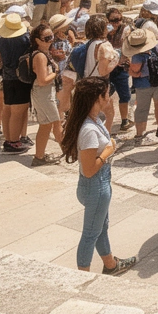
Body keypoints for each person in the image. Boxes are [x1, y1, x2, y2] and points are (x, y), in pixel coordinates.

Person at [61, 76, 136, 275]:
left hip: (99, 185)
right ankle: (81, 275)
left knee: (101, 227)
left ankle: (110, 264)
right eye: (106, 95)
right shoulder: (88, 130)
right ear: (97, 98)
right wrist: (106, 153)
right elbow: (89, 169)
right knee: (90, 234)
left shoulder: (92, 120)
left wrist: (109, 118)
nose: (109, 98)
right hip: (95, 186)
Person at [0, 11, 33, 155]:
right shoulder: (26, 39)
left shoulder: (2, 41)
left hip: (7, 79)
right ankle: (13, 143)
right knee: (18, 112)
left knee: (7, 109)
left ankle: (8, 140)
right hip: (22, 79)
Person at [27, 23, 63, 166]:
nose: (50, 40)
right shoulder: (40, 56)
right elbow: (42, 81)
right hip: (43, 93)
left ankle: (39, 156)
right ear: (37, 40)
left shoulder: (44, 54)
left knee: (47, 125)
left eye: (51, 37)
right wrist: (55, 72)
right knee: (54, 123)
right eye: (47, 38)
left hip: (46, 93)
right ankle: (67, 150)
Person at [121, 27, 158, 144]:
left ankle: (140, 134)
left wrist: (129, 69)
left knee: (142, 109)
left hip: (143, 85)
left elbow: (135, 72)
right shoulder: (155, 49)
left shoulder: (137, 56)